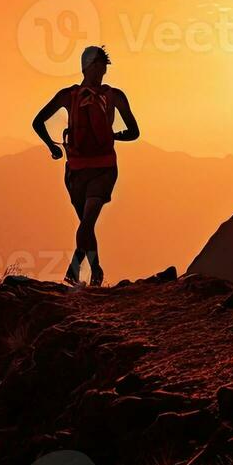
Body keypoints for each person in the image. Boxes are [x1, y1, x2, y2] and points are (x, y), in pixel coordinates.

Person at [32, 45, 140, 286]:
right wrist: (116, 136)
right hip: (88, 170)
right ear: (90, 66)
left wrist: (53, 147)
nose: (104, 68)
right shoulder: (113, 96)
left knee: (87, 223)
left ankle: (75, 269)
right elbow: (133, 132)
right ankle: (96, 272)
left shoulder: (68, 96)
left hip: (91, 170)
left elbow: (37, 122)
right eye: (101, 63)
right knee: (87, 227)